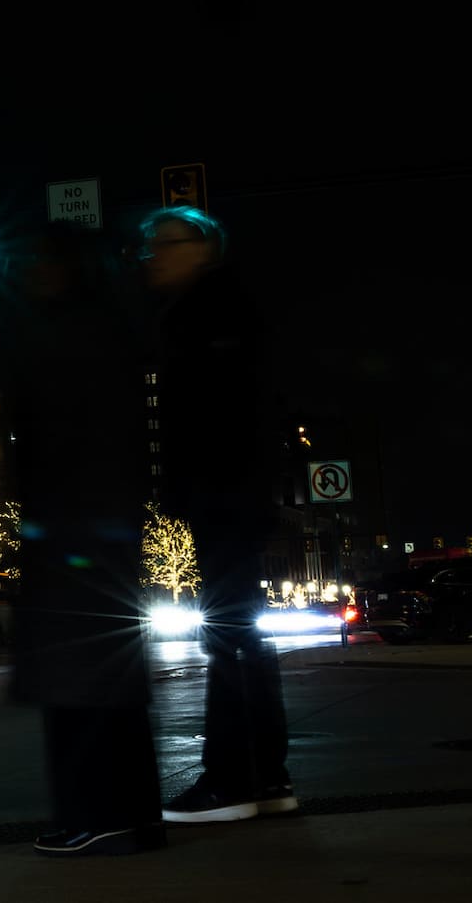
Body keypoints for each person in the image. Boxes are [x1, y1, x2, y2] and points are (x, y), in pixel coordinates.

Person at [1, 221, 167, 858]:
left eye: (43, 259)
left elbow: (49, 432)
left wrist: (37, 509)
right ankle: (127, 814)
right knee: (101, 673)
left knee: (79, 674)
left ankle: (98, 813)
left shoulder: (66, 334)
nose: (31, 270)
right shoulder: (108, 329)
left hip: (73, 526)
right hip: (95, 525)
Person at [138, 204, 296, 824]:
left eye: (165, 243)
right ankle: (263, 776)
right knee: (238, 635)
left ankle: (233, 778)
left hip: (224, 496)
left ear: (201, 248)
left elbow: (220, 420)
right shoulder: (213, 312)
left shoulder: (209, 316)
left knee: (229, 636)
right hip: (230, 495)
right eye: (148, 246)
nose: (153, 255)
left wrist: (189, 488)